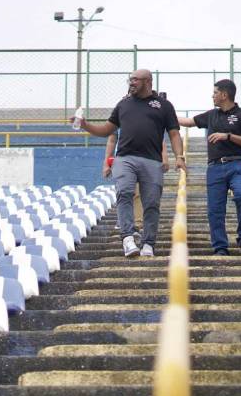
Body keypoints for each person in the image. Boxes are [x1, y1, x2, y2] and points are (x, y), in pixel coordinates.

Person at [75, 69, 184, 257]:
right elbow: (106, 130)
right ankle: (127, 237)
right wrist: (85, 125)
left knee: (151, 203)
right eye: (130, 79)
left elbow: (174, 134)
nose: (131, 83)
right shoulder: (123, 104)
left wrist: (179, 157)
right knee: (124, 193)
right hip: (125, 158)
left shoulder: (164, 106)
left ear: (147, 81)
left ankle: (149, 243)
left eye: (135, 80)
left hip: (152, 161)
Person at [178, 78, 241, 256]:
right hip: (215, 167)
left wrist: (228, 136)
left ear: (224, 94)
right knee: (215, 209)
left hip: (238, 164)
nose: (212, 96)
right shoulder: (211, 115)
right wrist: (165, 113)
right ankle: (220, 247)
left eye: (215, 92)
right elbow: (188, 121)